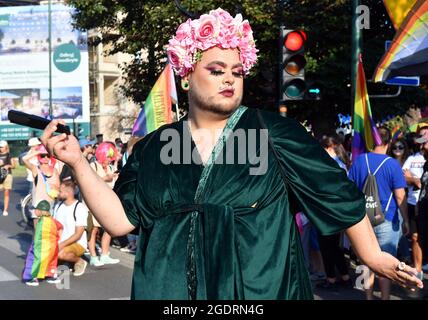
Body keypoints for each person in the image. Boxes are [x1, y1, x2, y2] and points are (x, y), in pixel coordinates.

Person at [40, 8, 422, 299]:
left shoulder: (274, 133)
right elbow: (121, 221)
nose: (229, 78)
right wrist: (76, 160)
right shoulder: (155, 147)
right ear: (187, 74)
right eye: (217, 69)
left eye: (237, 72)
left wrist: (371, 255)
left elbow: (336, 194)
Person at [349, 126, 410, 300]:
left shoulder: (359, 161)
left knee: (365, 261)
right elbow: (400, 196)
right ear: (389, 142)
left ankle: (368, 297)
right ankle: (384, 298)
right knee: (386, 261)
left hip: (362, 219)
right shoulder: (392, 164)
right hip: (387, 219)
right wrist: (405, 220)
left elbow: (350, 190)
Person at [316, 135, 352, 289]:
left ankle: (331, 278)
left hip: (326, 211)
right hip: (336, 210)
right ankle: (344, 276)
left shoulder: (329, 164)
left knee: (326, 247)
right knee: (334, 246)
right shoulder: (341, 164)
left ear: (329, 148)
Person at [87, 142, 120, 266]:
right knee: (93, 229)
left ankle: (105, 254)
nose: (109, 160)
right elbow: (89, 182)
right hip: (94, 203)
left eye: (110, 157)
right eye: (107, 157)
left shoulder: (111, 168)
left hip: (108, 203)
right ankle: (93, 256)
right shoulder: (93, 166)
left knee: (108, 228)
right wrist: (104, 179)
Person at [402, 126, 428, 280]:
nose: (422, 146)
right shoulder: (420, 161)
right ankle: (418, 269)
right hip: (418, 206)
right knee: (417, 237)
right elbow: (404, 176)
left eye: (425, 142)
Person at [22, 200, 63, 286]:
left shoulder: (41, 221)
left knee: (34, 259)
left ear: (40, 211)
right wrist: (57, 239)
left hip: (41, 246)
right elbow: (61, 227)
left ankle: (32, 277)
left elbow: (38, 235)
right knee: (51, 261)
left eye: (36, 210)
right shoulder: (52, 220)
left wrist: (34, 246)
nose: (35, 211)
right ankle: (51, 275)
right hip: (52, 245)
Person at [53, 179, 89, 277]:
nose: (58, 193)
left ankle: (80, 261)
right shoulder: (58, 206)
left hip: (77, 243)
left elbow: (78, 234)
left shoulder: (79, 208)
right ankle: (66, 262)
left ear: (68, 193)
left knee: (61, 253)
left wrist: (61, 245)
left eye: (60, 191)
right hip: (61, 242)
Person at [22, 144, 60, 229]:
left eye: (48, 155)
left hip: (51, 205)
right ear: (39, 157)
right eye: (43, 156)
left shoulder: (55, 170)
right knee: (38, 234)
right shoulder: (36, 169)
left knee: (49, 234)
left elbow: (58, 187)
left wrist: (54, 188)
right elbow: (24, 159)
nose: (46, 158)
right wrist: (38, 152)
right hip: (37, 206)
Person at [0, 140, 16, 216]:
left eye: (2, 147)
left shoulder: (10, 155)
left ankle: (5, 210)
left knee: (6, 193)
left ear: (6, 147)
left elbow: (14, 166)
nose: (0, 148)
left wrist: (8, 166)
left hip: (7, 175)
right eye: (0, 147)